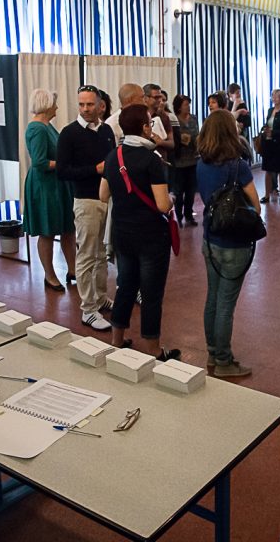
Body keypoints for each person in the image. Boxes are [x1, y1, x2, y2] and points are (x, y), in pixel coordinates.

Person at [99, 104, 180, 361]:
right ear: (145, 128)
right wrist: (172, 197)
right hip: (151, 235)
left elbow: (103, 195)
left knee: (125, 286)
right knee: (151, 292)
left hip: (123, 233)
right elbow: (162, 205)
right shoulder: (151, 160)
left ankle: (117, 339)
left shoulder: (114, 156)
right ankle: (154, 349)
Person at [195, 110, 260, 377]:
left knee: (213, 297)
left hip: (210, 238)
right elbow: (255, 205)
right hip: (235, 242)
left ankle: (213, 351)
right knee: (226, 303)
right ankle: (224, 360)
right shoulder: (238, 166)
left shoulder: (201, 164)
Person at [57, 84, 117, 331]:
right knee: (87, 255)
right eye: (81, 104)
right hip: (86, 201)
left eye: (90, 104)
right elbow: (63, 171)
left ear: (100, 105)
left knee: (102, 253)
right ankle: (88, 309)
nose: (85, 109)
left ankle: (100, 297)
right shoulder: (69, 133)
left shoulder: (106, 131)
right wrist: (94, 170)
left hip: (106, 200)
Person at [23, 89, 76, 292]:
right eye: (54, 103)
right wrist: (65, 163)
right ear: (46, 105)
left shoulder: (46, 126)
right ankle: (49, 275)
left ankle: (72, 269)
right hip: (45, 186)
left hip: (57, 183)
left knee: (68, 229)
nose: (57, 107)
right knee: (47, 231)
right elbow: (40, 162)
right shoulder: (37, 129)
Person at [172, 93, 200, 226]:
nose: (188, 107)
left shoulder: (194, 118)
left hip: (193, 159)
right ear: (178, 107)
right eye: (185, 105)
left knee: (191, 190)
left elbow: (198, 134)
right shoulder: (174, 120)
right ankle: (178, 215)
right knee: (179, 191)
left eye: (189, 104)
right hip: (179, 161)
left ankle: (189, 215)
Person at [144, 83, 174, 161]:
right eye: (156, 97)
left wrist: (161, 142)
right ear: (146, 98)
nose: (160, 100)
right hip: (144, 160)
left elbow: (172, 143)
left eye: (160, 97)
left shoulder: (164, 117)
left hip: (161, 161)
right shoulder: (139, 116)